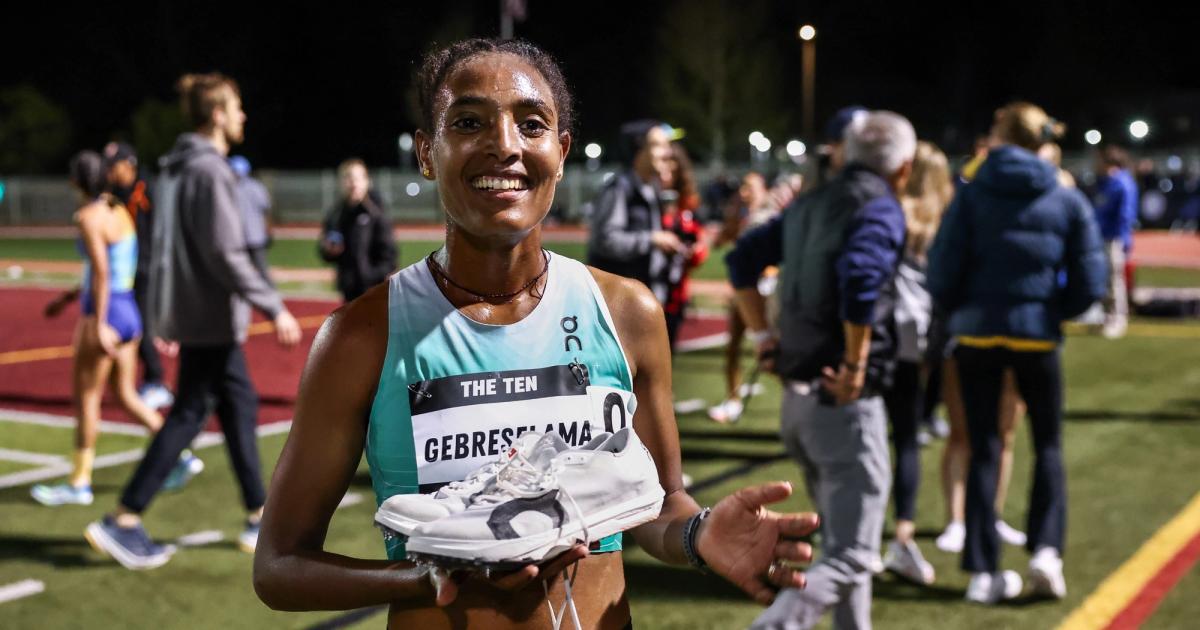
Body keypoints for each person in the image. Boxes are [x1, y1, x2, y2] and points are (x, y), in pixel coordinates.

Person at [252, 38, 819, 629]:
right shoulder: (362, 335)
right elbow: (279, 565)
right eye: (468, 122)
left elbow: (658, 505)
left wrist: (698, 533)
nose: (504, 145)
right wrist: (429, 578)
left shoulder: (626, 313)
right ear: (426, 153)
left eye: (531, 124)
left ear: (561, 151)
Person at [84, 72, 302, 570]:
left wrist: (167, 313)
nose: (244, 116)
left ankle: (258, 513)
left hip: (197, 315)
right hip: (212, 317)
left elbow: (165, 248)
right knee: (188, 414)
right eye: (237, 107)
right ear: (218, 115)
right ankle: (124, 518)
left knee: (238, 403)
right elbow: (225, 252)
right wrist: (272, 305)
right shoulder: (210, 171)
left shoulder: (176, 168)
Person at [729, 111, 916, 630]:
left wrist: (763, 337)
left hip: (799, 402)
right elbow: (860, 276)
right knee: (853, 555)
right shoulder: (878, 205)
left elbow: (742, 261)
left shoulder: (811, 201)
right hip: (841, 402)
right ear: (903, 168)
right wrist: (856, 363)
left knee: (842, 543)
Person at [927, 101, 1107, 603]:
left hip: (977, 337)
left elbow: (941, 271)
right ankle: (1046, 552)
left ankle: (983, 570)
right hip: (1037, 336)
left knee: (983, 446)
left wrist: (965, 311)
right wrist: (1052, 311)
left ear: (1000, 135)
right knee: (1047, 444)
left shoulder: (971, 192)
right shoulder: (1063, 194)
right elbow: (1092, 278)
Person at [29, 152, 168, 506]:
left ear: (74, 181)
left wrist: (101, 322)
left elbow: (103, 273)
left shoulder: (88, 217)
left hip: (106, 313)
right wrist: (67, 298)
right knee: (125, 395)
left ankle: (79, 482)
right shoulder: (118, 209)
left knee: (87, 399)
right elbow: (106, 269)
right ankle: (177, 455)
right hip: (128, 310)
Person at [880, 141, 953, 585]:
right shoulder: (943, 217)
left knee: (869, 440)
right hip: (920, 336)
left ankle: (858, 536)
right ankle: (903, 533)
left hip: (881, 333)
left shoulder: (888, 210)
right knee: (906, 439)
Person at [586, 119, 685, 303]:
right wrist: (653, 239)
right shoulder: (619, 188)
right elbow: (606, 241)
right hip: (621, 302)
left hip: (645, 298)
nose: (668, 152)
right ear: (638, 151)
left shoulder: (652, 186)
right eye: (658, 145)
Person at [708, 171, 777, 424]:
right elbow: (719, 242)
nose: (744, 192)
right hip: (744, 292)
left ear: (763, 190)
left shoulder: (771, 217)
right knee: (733, 347)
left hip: (766, 291)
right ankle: (733, 401)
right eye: (743, 187)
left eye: (750, 187)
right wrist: (731, 219)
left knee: (773, 350)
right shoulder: (742, 216)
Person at [318, 159, 398, 302]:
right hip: (348, 290)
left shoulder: (376, 213)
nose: (353, 183)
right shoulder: (336, 214)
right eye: (348, 178)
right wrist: (328, 251)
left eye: (358, 178)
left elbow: (390, 258)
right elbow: (325, 250)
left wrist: (369, 276)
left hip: (373, 290)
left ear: (366, 181)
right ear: (341, 182)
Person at [658, 142, 708, 352]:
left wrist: (694, 251)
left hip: (676, 291)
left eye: (671, 162)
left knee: (668, 351)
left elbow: (700, 247)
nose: (666, 168)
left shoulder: (688, 204)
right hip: (646, 285)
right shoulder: (644, 196)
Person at [1092, 144, 1138, 338]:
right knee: (1105, 279)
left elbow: (1125, 215)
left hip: (1114, 238)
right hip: (1104, 236)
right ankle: (1107, 316)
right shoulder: (1108, 182)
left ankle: (1117, 318)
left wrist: (1123, 239)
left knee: (1114, 280)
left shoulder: (1121, 183)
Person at [229, 155, 275, 285]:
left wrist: (267, 230)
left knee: (258, 270)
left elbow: (265, 210)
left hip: (248, 237)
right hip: (246, 237)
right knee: (248, 271)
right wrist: (267, 230)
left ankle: (269, 293)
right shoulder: (255, 186)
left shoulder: (251, 187)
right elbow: (266, 210)